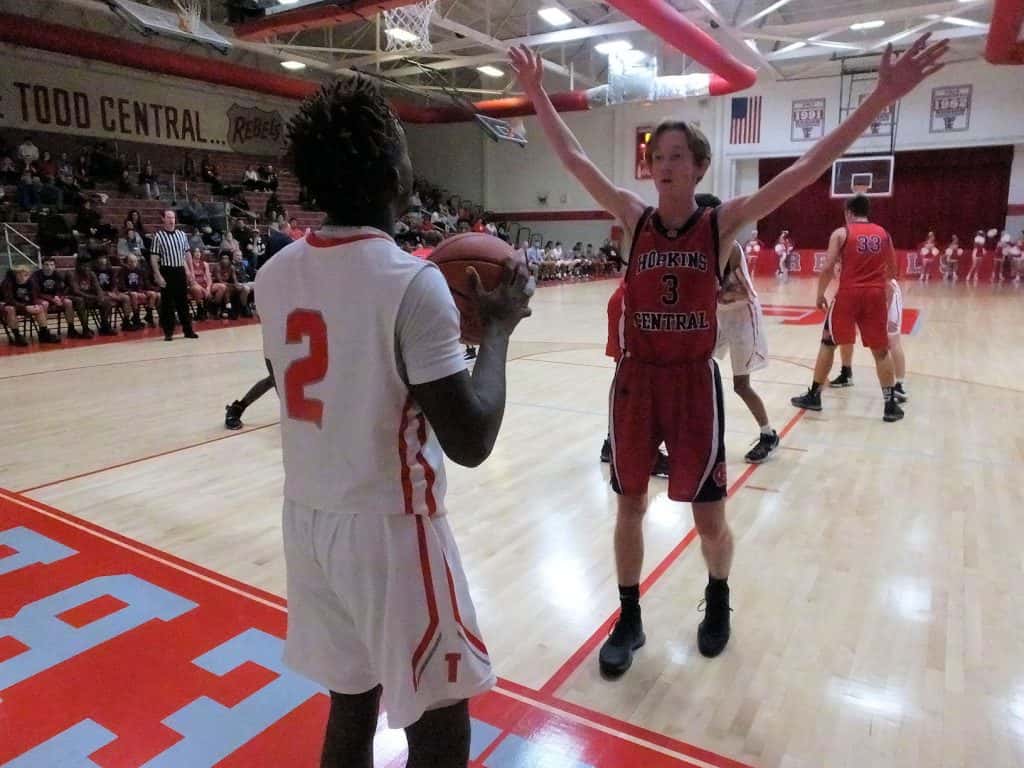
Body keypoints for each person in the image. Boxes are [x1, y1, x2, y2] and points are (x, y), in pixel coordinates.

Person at [509, 33, 945, 676]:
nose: (664, 165)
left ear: (699, 167)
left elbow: (805, 167)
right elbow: (574, 158)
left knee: (708, 515)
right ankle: (629, 617)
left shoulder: (720, 225)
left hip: (692, 383)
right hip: (636, 381)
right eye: (656, 156)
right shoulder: (633, 217)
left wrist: (880, 96)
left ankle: (717, 600)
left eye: (676, 156)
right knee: (629, 505)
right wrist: (536, 91)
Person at [255, 77, 533, 768]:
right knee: (439, 727)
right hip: (391, 529)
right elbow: (472, 439)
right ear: (390, 173)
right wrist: (497, 331)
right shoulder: (410, 281)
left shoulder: (274, 274)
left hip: (308, 521)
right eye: (405, 148)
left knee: (351, 704)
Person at [790, 195, 905, 421]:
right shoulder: (884, 234)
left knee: (828, 342)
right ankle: (890, 404)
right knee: (881, 350)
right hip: (874, 295)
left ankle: (814, 395)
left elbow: (827, 267)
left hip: (849, 294)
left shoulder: (841, 233)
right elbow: (892, 270)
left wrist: (820, 294)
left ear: (849, 212)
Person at [709, 198, 778, 464]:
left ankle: (768, 434)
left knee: (741, 385)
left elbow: (744, 293)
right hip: (720, 316)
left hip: (742, 318)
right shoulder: (703, 245)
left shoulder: (731, 248)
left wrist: (712, 295)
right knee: (696, 368)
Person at [150, 209, 198, 341]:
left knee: (183, 302)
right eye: (169, 217)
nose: (172, 220)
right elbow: (154, 257)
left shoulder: (181, 235)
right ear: (163, 219)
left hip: (180, 270)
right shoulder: (158, 236)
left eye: (173, 218)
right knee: (167, 303)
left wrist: (191, 271)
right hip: (167, 270)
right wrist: (158, 275)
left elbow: (187, 254)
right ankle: (168, 332)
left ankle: (188, 330)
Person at [2, 265, 59, 346]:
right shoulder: (8, 282)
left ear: (29, 275)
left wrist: (34, 305)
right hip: (7, 304)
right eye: (19, 275)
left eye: (25, 275)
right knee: (10, 309)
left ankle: (43, 334)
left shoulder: (32, 282)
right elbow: (9, 300)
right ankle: (17, 336)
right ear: (15, 275)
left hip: (23, 304)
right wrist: (25, 307)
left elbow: (34, 297)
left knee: (39, 308)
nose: (22, 277)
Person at [34, 256, 88, 338]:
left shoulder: (57, 274)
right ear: (42, 266)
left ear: (54, 266)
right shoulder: (36, 275)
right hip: (42, 298)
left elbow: (62, 290)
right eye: (46, 265)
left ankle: (71, 329)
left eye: (52, 265)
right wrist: (52, 299)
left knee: (68, 302)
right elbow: (37, 292)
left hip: (55, 298)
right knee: (45, 304)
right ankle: (44, 331)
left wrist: (58, 298)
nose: (49, 267)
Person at [66, 255, 116, 336]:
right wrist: (93, 297)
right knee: (80, 301)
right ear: (78, 266)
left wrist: (100, 296)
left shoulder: (91, 273)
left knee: (106, 301)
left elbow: (98, 288)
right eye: (84, 266)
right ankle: (85, 328)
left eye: (88, 266)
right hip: (73, 297)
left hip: (89, 297)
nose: (86, 268)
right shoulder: (71, 274)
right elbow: (76, 291)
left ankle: (104, 326)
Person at [118, 253, 159, 329]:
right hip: (127, 291)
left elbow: (143, 283)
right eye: (131, 261)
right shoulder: (123, 271)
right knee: (134, 294)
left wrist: (143, 291)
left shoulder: (140, 270)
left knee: (153, 294)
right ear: (127, 262)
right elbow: (122, 284)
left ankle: (149, 315)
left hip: (139, 290)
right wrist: (128, 291)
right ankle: (136, 317)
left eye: (135, 261)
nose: (133, 263)